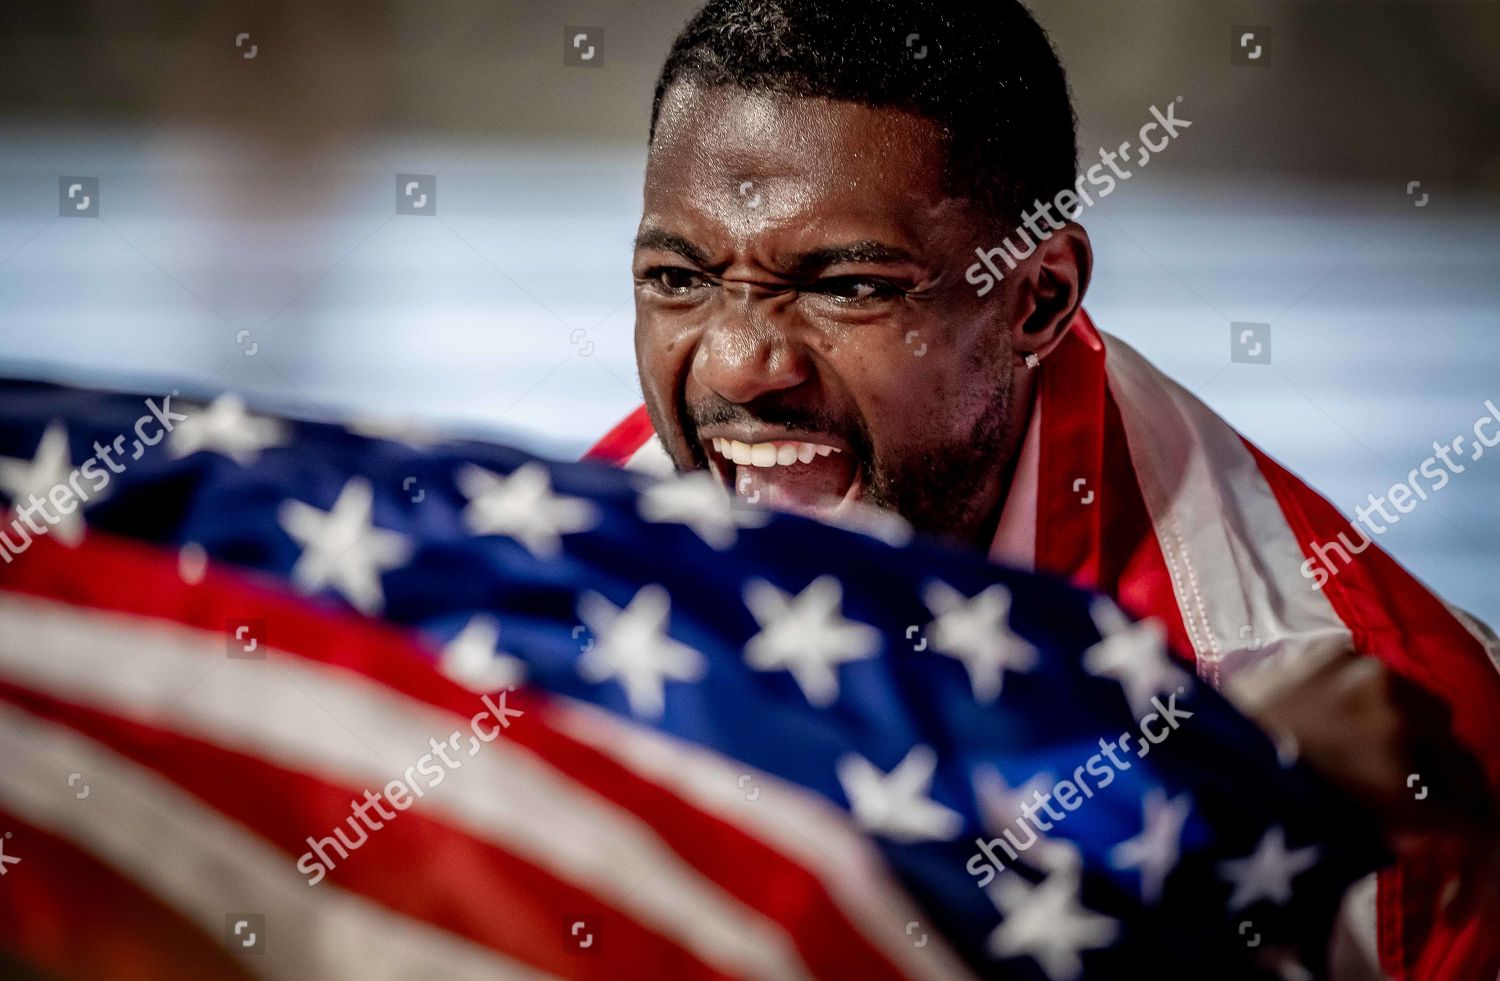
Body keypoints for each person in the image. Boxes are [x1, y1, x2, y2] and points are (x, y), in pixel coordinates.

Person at [584, 1, 1500, 977]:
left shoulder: (1396, 728)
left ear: (1040, 296)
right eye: (679, 277)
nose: (737, 368)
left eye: (848, 287)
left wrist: (1215, 791)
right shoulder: (526, 600)